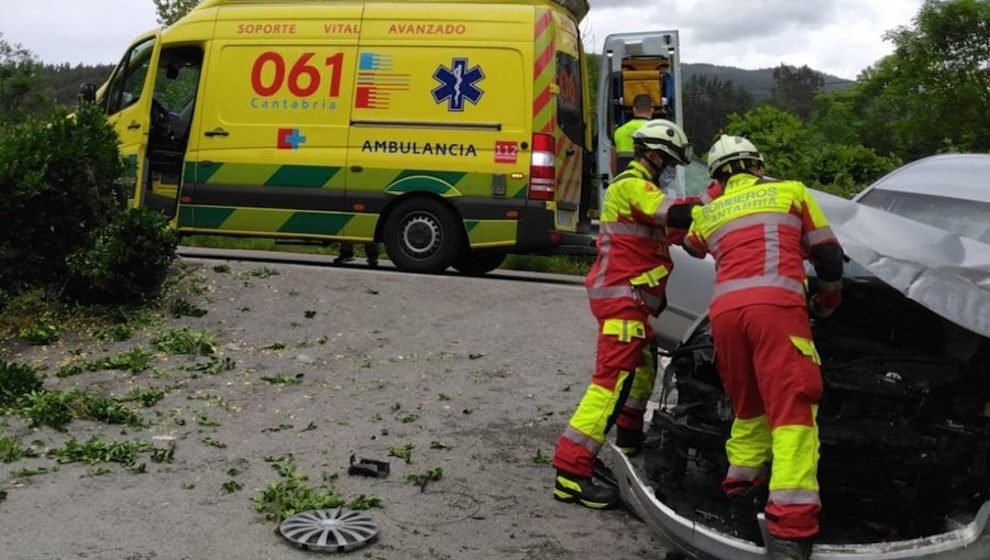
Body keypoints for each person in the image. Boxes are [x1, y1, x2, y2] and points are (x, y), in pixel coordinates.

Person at [681, 135, 845, 560]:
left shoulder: (710, 211)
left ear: (717, 176)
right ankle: (790, 532)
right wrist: (827, 303)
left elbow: (691, 244)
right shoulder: (791, 192)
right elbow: (828, 258)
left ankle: (740, 502)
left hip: (726, 319)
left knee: (749, 410)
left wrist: (712, 199)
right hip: (777, 311)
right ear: (758, 165)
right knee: (793, 412)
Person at [552, 119, 715, 510]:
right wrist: (718, 194)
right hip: (623, 300)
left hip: (635, 303)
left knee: (640, 374)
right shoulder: (631, 186)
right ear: (654, 155)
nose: (671, 170)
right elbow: (677, 215)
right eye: (670, 162)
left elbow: (687, 238)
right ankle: (570, 473)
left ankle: (628, 438)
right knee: (611, 383)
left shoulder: (646, 195)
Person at [611, 94, 654, 175]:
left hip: (623, 180)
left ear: (634, 109)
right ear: (651, 110)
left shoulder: (619, 131)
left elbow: (613, 162)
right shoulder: (655, 131)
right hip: (646, 182)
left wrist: (616, 180)